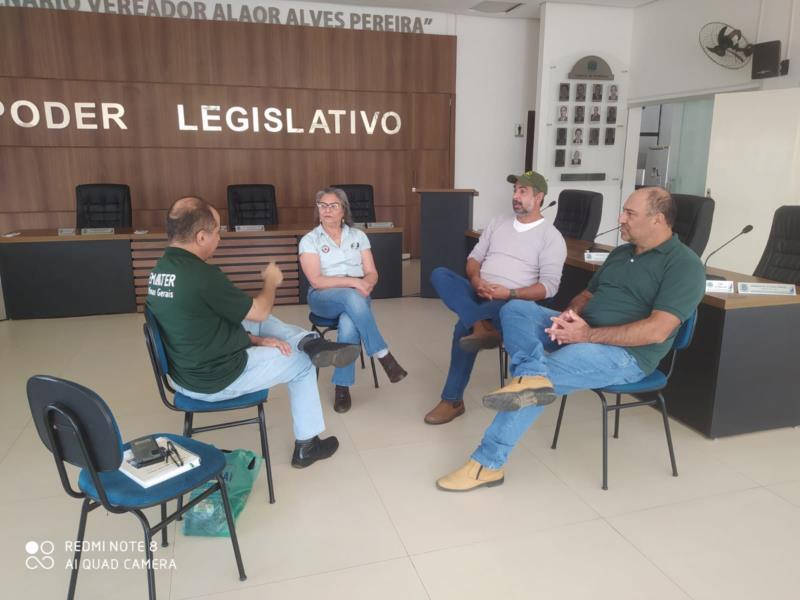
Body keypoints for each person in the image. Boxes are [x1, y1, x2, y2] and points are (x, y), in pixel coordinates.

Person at [436, 187, 705, 491]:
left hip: (626, 355)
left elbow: (658, 330)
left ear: (658, 219)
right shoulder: (621, 254)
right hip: (582, 330)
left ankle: (486, 465)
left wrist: (586, 334)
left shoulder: (684, 265)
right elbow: (588, 294)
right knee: (517, 309)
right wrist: (570, 315)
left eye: (630, 213)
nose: (621, 219)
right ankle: (530, 375)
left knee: (543, 379)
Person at [146, 197, 361, 468]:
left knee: (259, 324)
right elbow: (258, 309)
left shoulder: (159, 271)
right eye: (217, 232)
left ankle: (309, 341)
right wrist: (270, 281)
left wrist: (256, 339)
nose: (219, 239)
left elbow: (198, 327)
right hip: (215, 379)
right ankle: (308, 445)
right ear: (201, 237)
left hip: (185, 372)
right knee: (301, 362)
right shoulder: (201, 276)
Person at [424, 171, 566, 425]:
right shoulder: (498, 222)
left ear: (539, 196)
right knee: (440, 274)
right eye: (515, 190)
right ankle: (481, 325)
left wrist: (508, 292)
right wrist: (477, 281)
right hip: (479, 292)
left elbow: (549, 287)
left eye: (523, 191)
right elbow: (474, 259)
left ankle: (452, 400)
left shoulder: (551, 237)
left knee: (461, 328)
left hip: (510, 303)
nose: (516, 196)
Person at [299, 187, 407, 413]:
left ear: (343, 210)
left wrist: (366, 282)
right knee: (351, 295)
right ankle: (383, 354)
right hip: (323, 297)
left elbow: (372, 272)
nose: (327, 210)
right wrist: (355, 283)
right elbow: (317, 281)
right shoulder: (310, 240)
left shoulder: (359, 236)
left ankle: (342, 387)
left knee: (349, 322)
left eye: (333, 206)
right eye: (322, 205)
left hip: (357, 296)